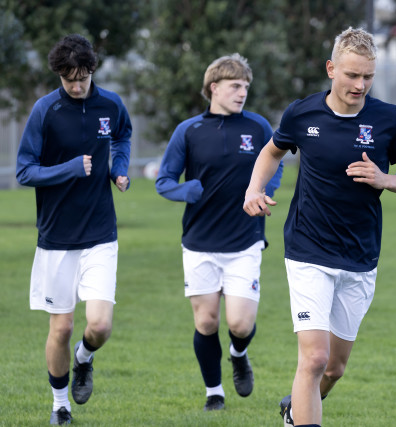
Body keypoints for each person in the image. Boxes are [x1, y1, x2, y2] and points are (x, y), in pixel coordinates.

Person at [243, 27, 396, 427]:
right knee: (314, 357)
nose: (360, 85)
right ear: (331, 69)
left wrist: (384, 179)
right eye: (352, 75)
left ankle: (295, 409)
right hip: (308, 249)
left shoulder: (390, 119)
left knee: (334, 368)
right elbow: (271, 152)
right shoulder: (302, 113)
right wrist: (254, 189)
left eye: (368, 76)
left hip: (360, 255)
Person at [155, 53, 283, 412]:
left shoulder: (258, 127)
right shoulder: (189, 130)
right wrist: (187, 190)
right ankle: (214, 392)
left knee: (240, 323)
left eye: (245, 87)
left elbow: (276, 163)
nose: (242, 93)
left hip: (245, 239)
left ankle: (239, 353)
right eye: (235, 86)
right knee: (207, 321)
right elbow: (164, 181)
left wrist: (264, 189)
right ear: (214, 87)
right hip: (200, 242)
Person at [16, 34, 132, 425]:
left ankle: (84, 358)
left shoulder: (110, 104)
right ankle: (60, 405)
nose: (76, 86)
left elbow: (123, 135)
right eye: (69, 80)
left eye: (82, 78)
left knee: (99, 325)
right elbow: (24, 171)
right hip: (56, 237)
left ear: (91, 71)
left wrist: (118, 168)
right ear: (59, 76)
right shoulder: (44, 110)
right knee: (62, 327)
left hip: (100, 232)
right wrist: (69, 168)